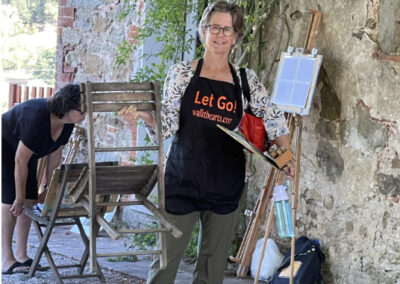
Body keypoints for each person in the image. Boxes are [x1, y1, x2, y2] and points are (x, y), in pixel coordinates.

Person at [120, 1, 294, 283]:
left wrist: (286, 156)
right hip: (182, 179)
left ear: (235, 36)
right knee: (164, 265)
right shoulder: (181, 74)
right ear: (204, 32)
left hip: (226, 184)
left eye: (227, 29)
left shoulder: (246, 81)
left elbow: (274, 119)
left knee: (212, 271)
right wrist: (144, 117)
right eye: (215, 27)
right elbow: (168, 125)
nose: (221, 34)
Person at [1, 84, 85, 274]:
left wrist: (48, 187)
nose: (85, 114)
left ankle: (21, 255)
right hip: (4, 147)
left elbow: (55, 154)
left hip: (26, 154)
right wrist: (18, 197)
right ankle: (6, 260)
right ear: (68, 106)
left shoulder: (68, 124)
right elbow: (19, 161)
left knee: (29, 201)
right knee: (11, 201)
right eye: (82, 109)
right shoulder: (37, 116)